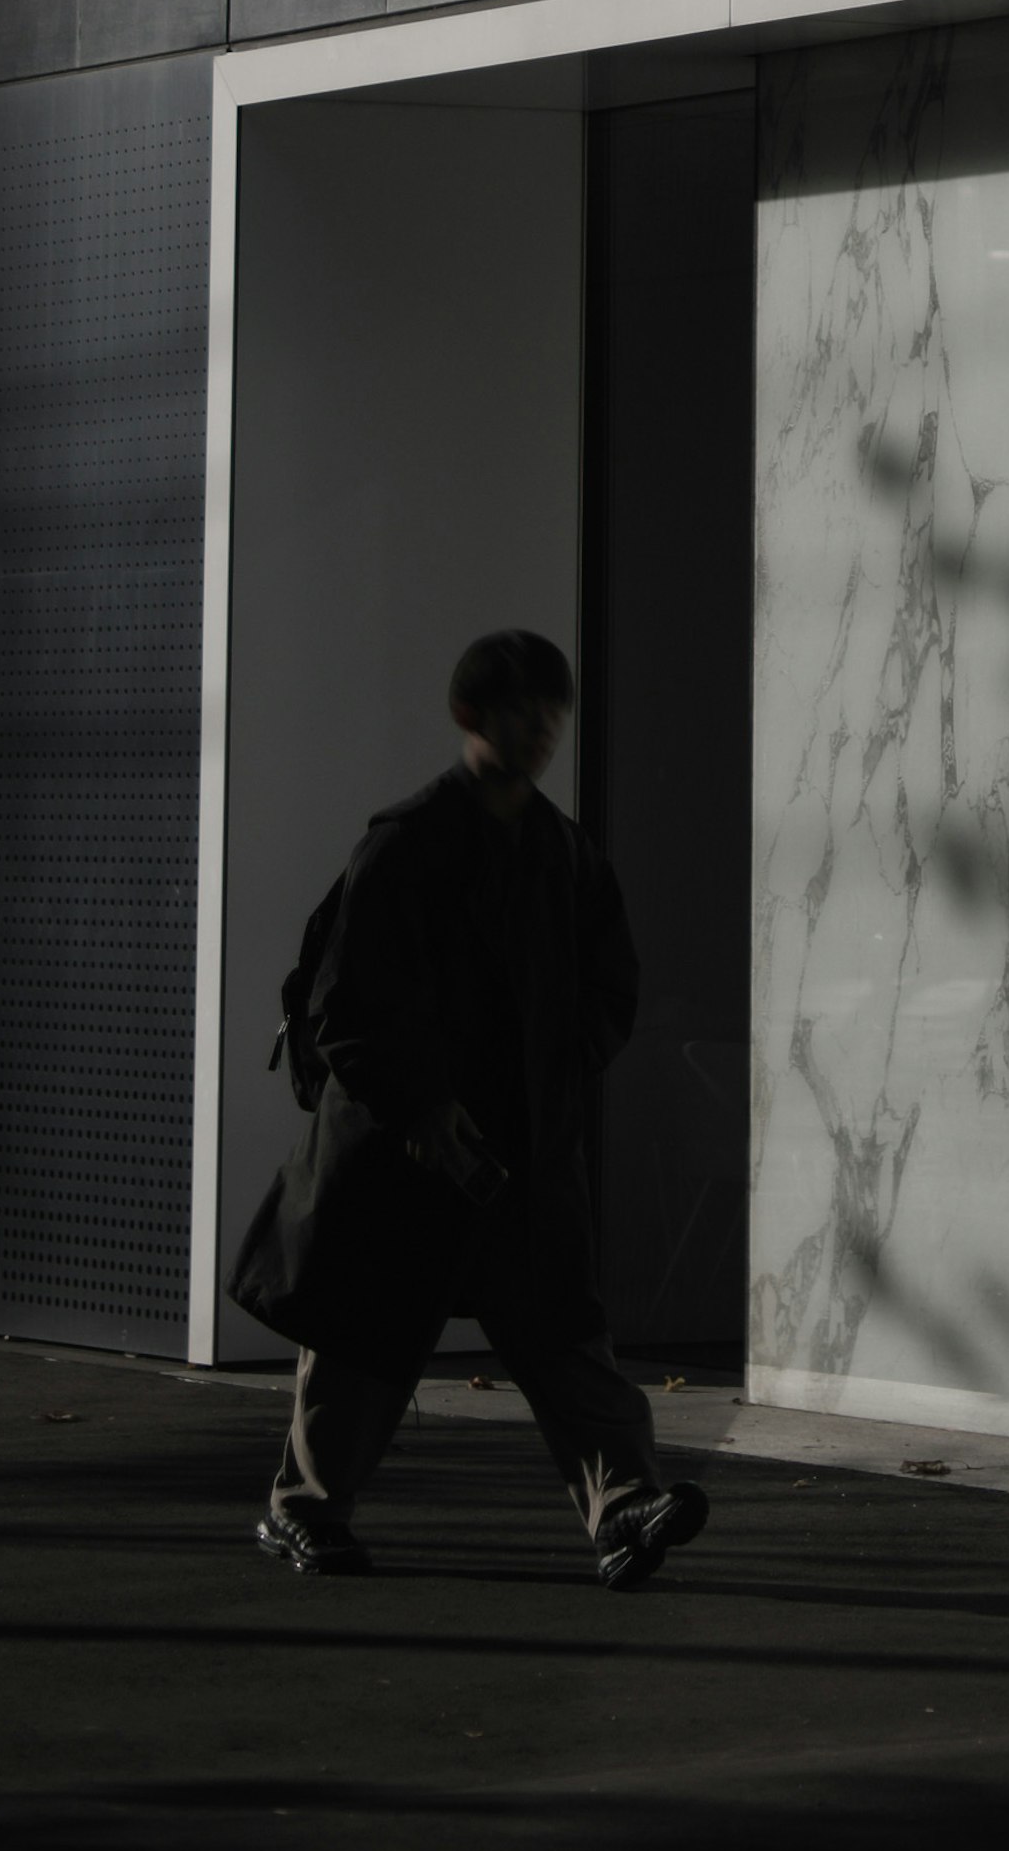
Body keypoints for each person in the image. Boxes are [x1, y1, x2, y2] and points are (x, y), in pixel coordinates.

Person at [232, 626, 709, 1592]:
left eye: (552, 713)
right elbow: (344, 1009)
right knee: (367, 1343)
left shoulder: (562, 855)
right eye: (522, 710)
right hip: (407, 1153)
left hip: (520, 1152)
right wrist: (426, 1109)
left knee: (565, 1338)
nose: (542, 730)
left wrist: (555, 1077)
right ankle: (302, 1509)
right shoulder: (406, 845)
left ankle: (625, 1506)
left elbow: (608, 988)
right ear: (471, 716)